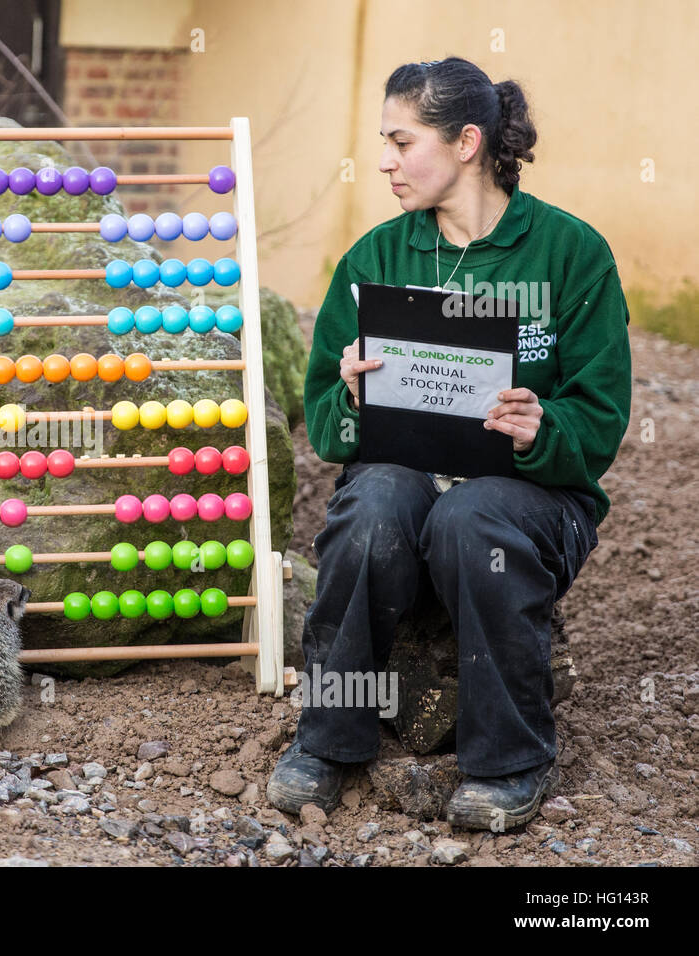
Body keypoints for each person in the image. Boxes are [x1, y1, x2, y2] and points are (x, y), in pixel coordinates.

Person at [265, 57, 632, 831]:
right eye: (384, 143)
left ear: (467, 142)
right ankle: (329, 740)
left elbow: (600, 420)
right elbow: (326, 422)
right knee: (370, 508)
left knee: (474, 520)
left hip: (531, 504)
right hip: (402, 492)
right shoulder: (376, 259)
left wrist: (546, 426)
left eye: (402, 141)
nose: (385, 161)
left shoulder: (570, 254)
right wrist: (354, 398)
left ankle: (512, 759)